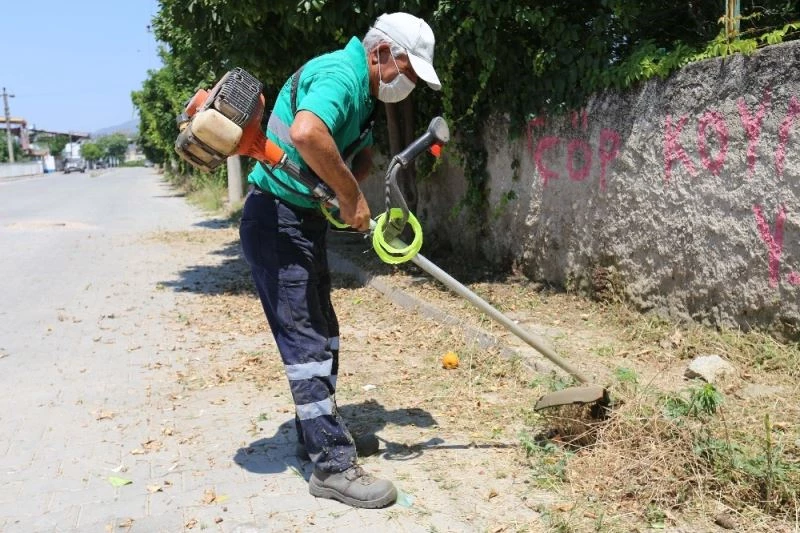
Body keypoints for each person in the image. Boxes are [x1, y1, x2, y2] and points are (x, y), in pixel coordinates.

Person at [238, 12, 441, 509]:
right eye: (409, 73)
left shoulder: (362, 91)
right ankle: (331, 465)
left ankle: (321, 436)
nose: (407, 86)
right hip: (276, 221)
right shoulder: (341, 75)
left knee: (324, 331)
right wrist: (350, 196)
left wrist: (349, 178)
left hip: (299, 220)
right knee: (305, 341)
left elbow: (353, 152)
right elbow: (307, 133)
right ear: (382, 54)